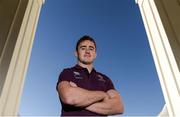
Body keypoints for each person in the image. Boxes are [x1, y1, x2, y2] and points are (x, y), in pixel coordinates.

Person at [56, 35, 124, 116]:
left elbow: (118, 107)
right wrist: (103, 95)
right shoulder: (67, 72)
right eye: (83, 48)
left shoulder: (105, 79)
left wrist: (80, 101)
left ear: (95, 54)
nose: (87, 51)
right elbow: (69, 97)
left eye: (91, 48)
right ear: (76, 53)